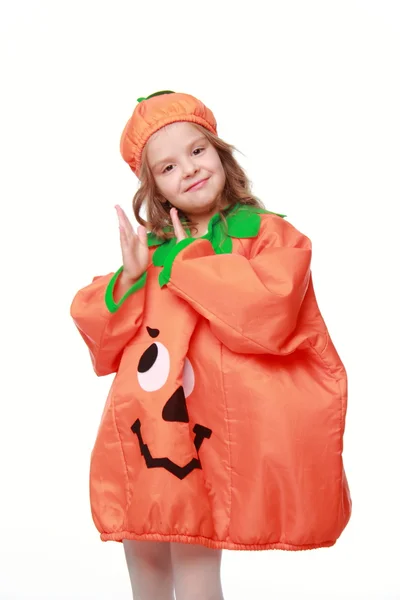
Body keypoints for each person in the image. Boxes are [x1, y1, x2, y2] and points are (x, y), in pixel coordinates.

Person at [70, 90, 352, 600]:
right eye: (168, 166)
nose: (190, 170)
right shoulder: (152, 251)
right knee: (146, 561)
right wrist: (130, 279)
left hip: (206, 434)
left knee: (196, 559)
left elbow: (267, 314)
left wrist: (192, 260)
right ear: (153, 187)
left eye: (197, 151)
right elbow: (103, 339)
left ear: (220, 152)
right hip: (146, 426)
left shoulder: (267, 235)